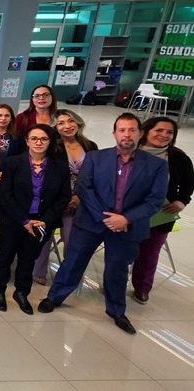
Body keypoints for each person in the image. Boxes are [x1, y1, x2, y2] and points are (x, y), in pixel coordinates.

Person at [39, 113, 169, 335]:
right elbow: (84, 188)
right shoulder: (96, 158)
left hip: (127, 227)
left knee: (117, 270)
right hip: (91, 221)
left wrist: (125, 219)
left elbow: (155, 200)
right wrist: (105, 217)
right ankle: (55, 297)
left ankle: (117, 311)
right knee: (73, 262)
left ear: (140, 133)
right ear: (114, 133)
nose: (126, 134)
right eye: (122, 130)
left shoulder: (156, 165)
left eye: (131, 130)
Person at [0, 124, 70, 314]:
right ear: (27, 141)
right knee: (5, 255)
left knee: (28, 259)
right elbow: (5, 194)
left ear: (50, 142)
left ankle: (21, 292)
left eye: (43, 139)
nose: (38, 142)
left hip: (41, 222)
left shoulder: (59, 167)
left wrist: (45, 220)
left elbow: (63, 197)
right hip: (13, 219)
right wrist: (24, 221)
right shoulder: (13, 163)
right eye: (34, 138)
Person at [32, 109, 97, 285]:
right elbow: (46, 174)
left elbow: (94, 175)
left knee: (72, 241)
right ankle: (38, 270)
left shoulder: (90, 146)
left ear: (78, 122)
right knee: (44, 237)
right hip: (53, 199)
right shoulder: (53, 147)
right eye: (61, 123)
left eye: (71, 121)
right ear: (55, 127)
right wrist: (63, 198)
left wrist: (79, 197)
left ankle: (69, 275)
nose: (67, 126)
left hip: (78, 200)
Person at [131, 117, 192, 304]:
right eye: (159, 130)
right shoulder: (130, 149)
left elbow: (189, 183)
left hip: (161, 214)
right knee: (121, 250)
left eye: (169, 132)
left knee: (149, 252)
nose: (164, 135)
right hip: (129, 211)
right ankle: (114, 283)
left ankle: (142, 287)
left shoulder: (178, 157)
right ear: (146, 131)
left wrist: (182, 201)